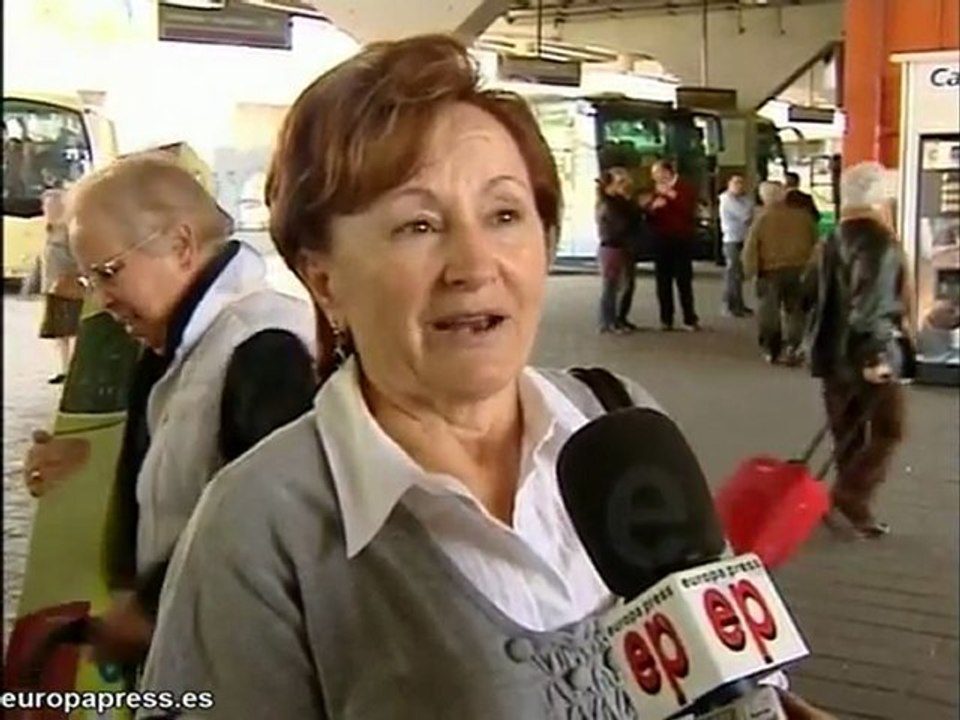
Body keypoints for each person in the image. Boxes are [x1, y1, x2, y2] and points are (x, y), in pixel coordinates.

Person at [138, 34, 832, 720]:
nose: (474, 264)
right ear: (325, 281)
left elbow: (729, 678)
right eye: (417, 225)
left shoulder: (619, 421)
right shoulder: (260, 527)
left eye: (504, 215)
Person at [21, 152, 319, 664]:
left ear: (180, 245)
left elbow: (274, 522)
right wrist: (82, 469)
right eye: (91, 281)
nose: (103, 299)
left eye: (110, 273)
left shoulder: (264, 346)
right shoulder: (178, 349)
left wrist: (151, 605)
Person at [805, 161, 914, 539]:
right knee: (890, 428)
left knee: (847, 432)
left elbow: (808, 293)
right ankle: (850, 495)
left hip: (829, 354)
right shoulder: (878, 242)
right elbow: (871, 305)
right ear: (879, 198)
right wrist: (875, 356)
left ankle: (846, 504)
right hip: (865, 353)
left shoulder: (831, 238)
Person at [743, 181, 818, 365]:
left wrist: (750, 270)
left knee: (769, 311)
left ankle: (772, 348)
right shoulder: (803, 217)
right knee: (796, 311)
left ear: (763, 198)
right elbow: (816, 243)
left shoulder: (762, 218)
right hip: (799, 269)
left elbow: (751, 247)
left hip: (770, 271)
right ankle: (794, 345)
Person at [37, 188, 85, 384]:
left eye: (51, 205)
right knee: (59, 333)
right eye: (45, 206)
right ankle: (64, 369)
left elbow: (77, 257)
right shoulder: (49, 228)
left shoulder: (68, 229)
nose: (47, 209)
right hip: (52, 286)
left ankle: (74, 369)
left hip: (68, 286)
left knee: (71, 330)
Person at [647, 159, 700, 331]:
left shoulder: (685, 188)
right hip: (661, 239)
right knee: (663, 280)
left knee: (683, 280)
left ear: (667, 172)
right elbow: (649, 214)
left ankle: (689, 318)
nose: (655, 178)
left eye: (657, 174)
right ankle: (666, 318)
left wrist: (671, 195)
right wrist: (652, 207)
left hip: (681, 239)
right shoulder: (655, 190)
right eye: (653, 175)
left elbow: (689, 210)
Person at [596, 166, 641, 333]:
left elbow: (634, 218)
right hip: (612, 248)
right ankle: (608, 321)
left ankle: (620, 318)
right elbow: (620, 225)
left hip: (624, 246)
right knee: (611, 286)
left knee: (627, 285)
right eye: (620, 183)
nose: (623, 186)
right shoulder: (607, 204)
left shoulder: (622, 202)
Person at [718, 173, 755, 318]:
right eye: (736, 183)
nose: (740, 186)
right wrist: (752, 212)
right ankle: (729, 305)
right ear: (729, 185)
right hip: (732, 240)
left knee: (739, 275)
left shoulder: (745, 198)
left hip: (744, 238)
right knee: (732, 274)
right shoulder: (726, 199)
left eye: (742, 183)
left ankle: (739, 304)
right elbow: (746, 216)